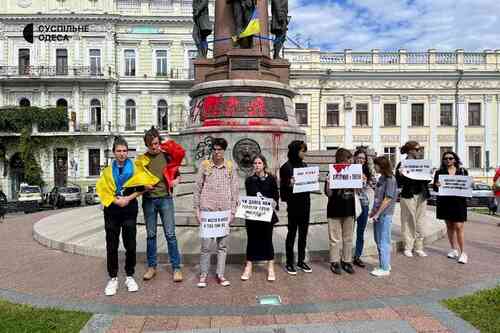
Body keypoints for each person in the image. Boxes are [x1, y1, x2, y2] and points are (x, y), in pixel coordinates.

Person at [96, 136, 159, 296]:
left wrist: (128, 199)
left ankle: (129, 276)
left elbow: (144, 187)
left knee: (130, 244)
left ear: (128, 152)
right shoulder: (107, 171)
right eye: (119, 151)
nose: (122, 154)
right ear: (114, 153)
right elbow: (102, 190)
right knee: (112, 244)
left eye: (124, 151)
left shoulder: (136, 168)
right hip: (112, 209)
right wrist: (116, 201)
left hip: (130, 207)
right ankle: (113, 278)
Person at [138, 127, 185, 283]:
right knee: (151, 235)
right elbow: (136, 182)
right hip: (149, 200)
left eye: (156, 143)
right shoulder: (142, 160)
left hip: (165, 199)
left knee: (170, 235)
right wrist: (143, 187)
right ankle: (152, 267)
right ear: (146, 144)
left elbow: (178, 176)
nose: (154, 146)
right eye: (151, 144)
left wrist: (175, 182)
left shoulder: (167, 157)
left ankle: (176, 267)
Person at [193, 137, 239, 287]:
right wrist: (197, 209)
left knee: (222, 246)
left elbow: (235, 190)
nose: (217, 152)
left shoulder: (230, 167)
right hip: (208, 211)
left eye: (220, 149)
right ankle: (204, 274)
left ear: (224, 151)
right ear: (211, 150)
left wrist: (233, 211)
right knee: (206, 246)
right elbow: (197, 187)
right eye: (215, 149)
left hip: (224, 212)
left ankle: (220, 274)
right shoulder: (205, 165)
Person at [241, 154, 279, 282]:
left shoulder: (272, 179)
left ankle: (270, 266)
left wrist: (273, 203)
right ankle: (249, 266)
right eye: (255, 163)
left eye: (259, 163)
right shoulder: (249, 180)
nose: (257, 165)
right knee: (251, 240)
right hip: (253, 216)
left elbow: (275, 197)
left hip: (267, 216)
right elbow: (250, 196)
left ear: (264, 165)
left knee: (267, 240)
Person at [280, 140, 312, 275]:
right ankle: (289, 262)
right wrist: (289, 184)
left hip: (305, 204)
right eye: (302, 150)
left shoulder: (305, 165)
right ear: (295, 151)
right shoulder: (286, 167)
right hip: (293, 205)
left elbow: (309, 184)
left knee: (303, 234)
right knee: (292, 233)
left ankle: (301, 260)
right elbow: (283, 191)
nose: (304, 153)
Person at [396, 141, 431, 257]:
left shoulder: (423, 164)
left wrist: (430, 174)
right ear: (410, 150)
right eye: (417, 149)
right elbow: (398, 182)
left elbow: (427, 180)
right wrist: (400, 175)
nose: (419, 151)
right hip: (408, 195)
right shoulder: (402, 164)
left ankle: (419, 247)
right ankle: (408, 246)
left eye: (420, 149)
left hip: (421, 194)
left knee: (420, 220)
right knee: (407, 220)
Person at [433, 151, 469, 264]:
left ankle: (463, 253)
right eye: (445, 159)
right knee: (449, 226)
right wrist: (436, 185)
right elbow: (435, 187)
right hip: (445, 202)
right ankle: (453, 249)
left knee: (458, 226)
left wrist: (469, 185)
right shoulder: (439, 172)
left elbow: (467, 185)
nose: (448, 160)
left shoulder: (462, 171)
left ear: (455, 160)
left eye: (450, 158)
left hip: (459, 202)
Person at [324, 148, 356, 275]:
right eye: (347, 160)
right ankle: (335, 261)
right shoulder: (331, 172)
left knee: (348, 238)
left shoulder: (353, 171)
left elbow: (357, 191)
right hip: (334, 209)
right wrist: (328, 183)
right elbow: (329, 194)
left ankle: (347, 261)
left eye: (350, 161)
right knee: (335, 238)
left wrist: (361, 182)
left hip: (349, 209)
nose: (349, 163)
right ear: (340, 160)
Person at [369, 156, 398, 277]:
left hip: (385, 214)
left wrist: (378, 213)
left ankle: (385, 268)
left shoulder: (390, 179)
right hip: (378, 214)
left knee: (383, 240)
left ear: (381, 166)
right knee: (378, 239)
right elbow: (378, 198)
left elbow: (387, 198)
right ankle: (384, 263)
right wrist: (374, 211)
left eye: (375, 165)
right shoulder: (382, 178)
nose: (374, 167)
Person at [353, 149, 375, 268]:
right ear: (355, 158)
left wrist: (367, 181)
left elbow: (374, 184)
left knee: (360, 231)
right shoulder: (349, 169)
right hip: (351, 202)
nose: (361, 160)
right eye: (359, 158)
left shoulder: (367, 171)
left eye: (363, 158)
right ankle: (345, 255)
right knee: (348, 231)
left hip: (363, 202)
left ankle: (357, 255)